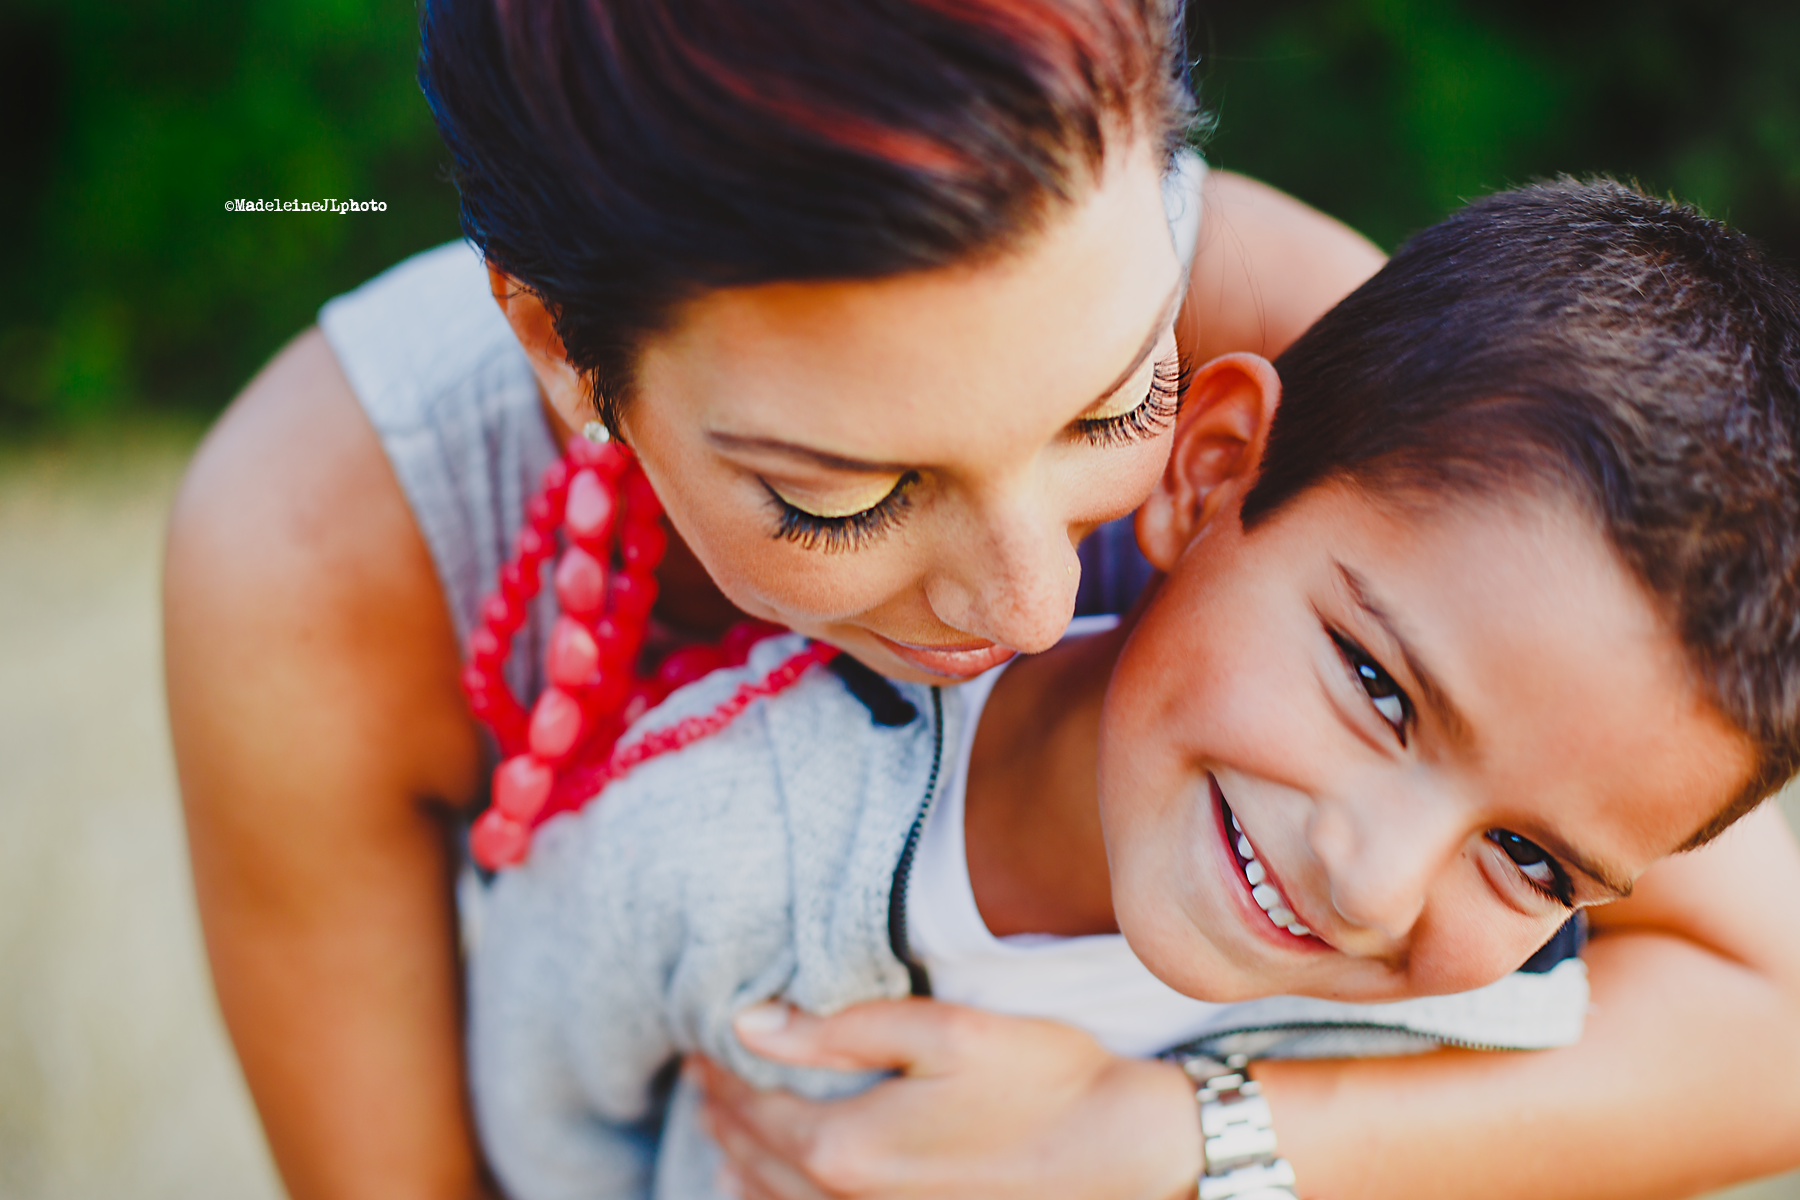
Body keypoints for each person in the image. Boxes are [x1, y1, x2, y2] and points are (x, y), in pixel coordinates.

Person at [158, 1, 1800, 1198]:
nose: (1027, 609)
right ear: (555, 342)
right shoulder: (318, 556)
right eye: (841, 493)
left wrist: (1178, 1142)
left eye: (1109, 409)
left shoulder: (1343, 373)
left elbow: (1768, 1023)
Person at [464, 179, 1800, 1200]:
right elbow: (538, 1130)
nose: (1375, 887)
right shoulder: (712, 844)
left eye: (1527, 856)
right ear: (1213, 469)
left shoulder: (1491, 1023)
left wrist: (1184, 1145)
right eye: (1381, 690)